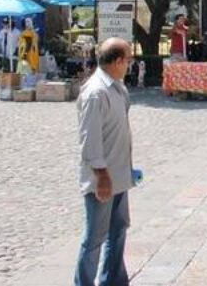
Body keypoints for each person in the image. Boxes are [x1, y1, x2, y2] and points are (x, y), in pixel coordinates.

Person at [74, 37, 135, 286]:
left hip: (119, 173)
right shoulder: (96, 93)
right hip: (104, 177)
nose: (130, 64)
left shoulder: (117, 87)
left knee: (118, 229)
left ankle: (114, 280)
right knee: (94, 238)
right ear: (118, 61)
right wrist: (101, 175)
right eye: (129, 59)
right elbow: (90, 139)